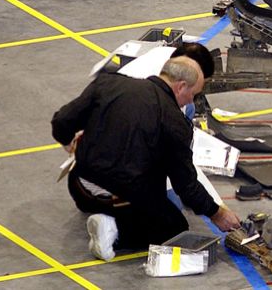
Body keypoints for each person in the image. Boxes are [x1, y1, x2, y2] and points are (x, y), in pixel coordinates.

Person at [52, 55, 241, 261]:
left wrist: (68, 142)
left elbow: (61, 121)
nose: (191, 101)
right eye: (193, 94)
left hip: (80, 187)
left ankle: (103, 212)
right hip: (120, 198)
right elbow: (186, 186)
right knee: (174, 226)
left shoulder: (109, 82)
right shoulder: (175, 123)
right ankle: (115, 231)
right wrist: (217, 213)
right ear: (181, 87)